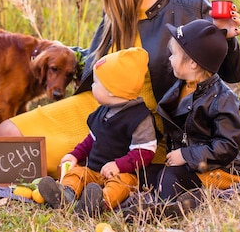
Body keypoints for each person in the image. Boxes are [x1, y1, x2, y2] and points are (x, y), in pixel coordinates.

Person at [0, 0, 240, 180]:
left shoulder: (191, 8)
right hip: (99, 109)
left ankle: (44, 178)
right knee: (5, 134)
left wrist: (228, 39)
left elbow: (231, 73)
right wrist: (63, 54)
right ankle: (1, 170)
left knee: (9, 155)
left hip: (139, 127)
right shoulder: (115, 11)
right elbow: (100, 63)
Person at [146, 19, 240, 217]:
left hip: (223, 167)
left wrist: (186, 155)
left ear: (193, 63)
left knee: (168, 178)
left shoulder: (223, 98)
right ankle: (170, 199)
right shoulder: (183, 86)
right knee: (150, 174)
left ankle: (166, 210)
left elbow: (227, 146)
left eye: (174, 54)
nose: (169, 58)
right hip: (196, 161)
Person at [37, 47, 157, 216]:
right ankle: (66, 194)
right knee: (78, 173)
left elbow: (145, 153)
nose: (92, 86)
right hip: (93, 170)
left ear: (112, 90)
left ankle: (99, 202)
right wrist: (75, 155)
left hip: (123, 173)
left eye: (96, 83)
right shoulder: (103, 111)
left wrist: (118, 165)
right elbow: (91, 139)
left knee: (122, 185)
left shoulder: (139, 118)